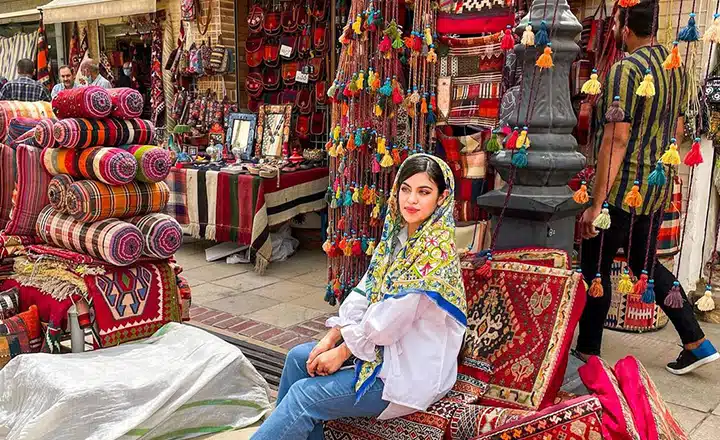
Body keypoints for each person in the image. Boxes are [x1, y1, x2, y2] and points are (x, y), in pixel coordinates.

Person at [251, 154, 467, 440]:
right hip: (382, 351)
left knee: (306, 396)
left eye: (424, 192)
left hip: (409, 371)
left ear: (442, 199)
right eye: (405, 189)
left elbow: (389, 322)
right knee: (297, 359)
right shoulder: (397, 240)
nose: (411, 200)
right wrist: (331, 337)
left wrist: (342, 352)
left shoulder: (434, 255)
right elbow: (363, 293)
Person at [577, 0, 718, 374]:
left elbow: (616, 140)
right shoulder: (677, 69)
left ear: (625, 29)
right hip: (655, 185)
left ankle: (587, 351)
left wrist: (597, 203)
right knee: (643, 264)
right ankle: (696, 340)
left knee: (596, 266)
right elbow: (676, 129)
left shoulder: (625, 69)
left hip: (623, 189)